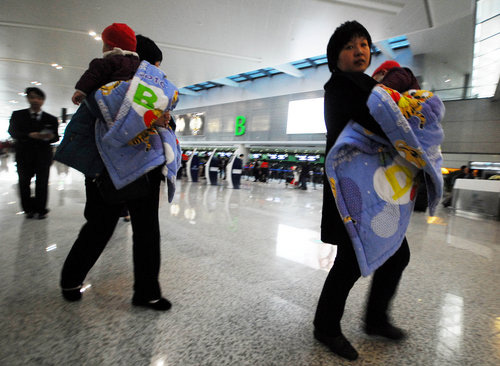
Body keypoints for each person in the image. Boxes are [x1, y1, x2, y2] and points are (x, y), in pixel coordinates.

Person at [314, 21, 410, 361]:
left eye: (365, 44)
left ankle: (375, 319)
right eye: (350, 46)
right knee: (350, 263)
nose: (360, 51)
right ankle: (326, 327)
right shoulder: (340, 87)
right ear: (335, 57)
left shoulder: (368, 86)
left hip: (375, 190)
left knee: (396, 253)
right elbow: (374, 119)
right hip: (352, 192)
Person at [60, 32, 174, 311]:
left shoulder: (152, 90)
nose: (156, 73)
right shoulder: (105, 86)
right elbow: (96, 122)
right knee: (100, 226)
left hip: (145, 166)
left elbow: (165, 127)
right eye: (154, 65)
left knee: (146, 229)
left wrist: (163, 120)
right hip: (105, 169)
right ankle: (71, 279)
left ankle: (147, 293)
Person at [8, 87, 59, 219]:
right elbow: (13, 132)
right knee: (24, 183)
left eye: (39, 98)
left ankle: (41, 209)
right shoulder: (18, 115)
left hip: (43, 156)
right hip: (24, 155)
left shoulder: (51, 119)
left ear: (43, 100)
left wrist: (48, 137)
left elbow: (56, 137)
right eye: (32, 97)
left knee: (42, 183)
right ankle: (28, 209)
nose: (35, 100)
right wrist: (30, 135)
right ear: (28, 99)